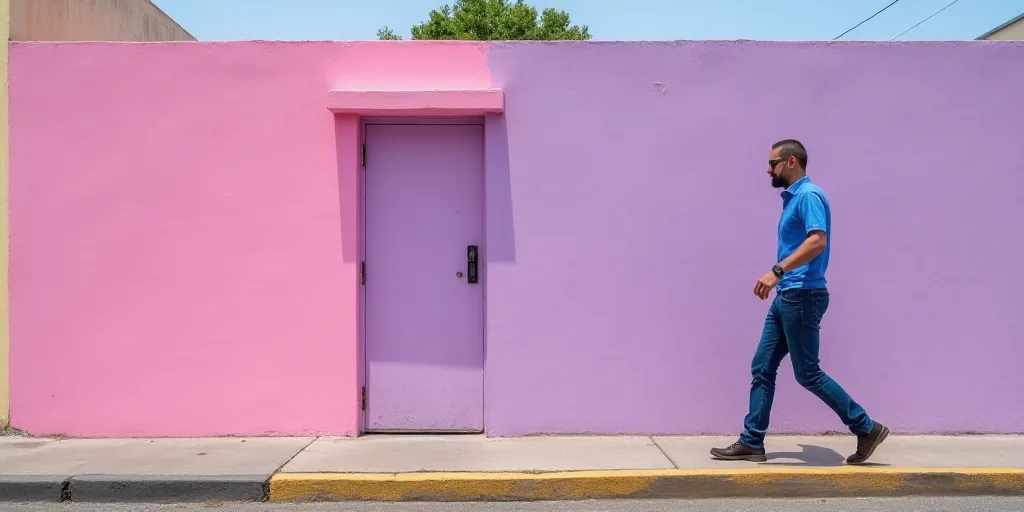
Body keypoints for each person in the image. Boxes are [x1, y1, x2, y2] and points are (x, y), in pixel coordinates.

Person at [710, 139, 887, 465]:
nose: (768, 169)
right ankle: (752, 442)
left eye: (773, 163)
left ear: (791, 162)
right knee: (762, 367)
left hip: (803, 295)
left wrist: (777, 270)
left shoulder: (808, 196)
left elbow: (818, 241)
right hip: (788, 295)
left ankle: (865, 426)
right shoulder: (794, 199)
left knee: (808, 373)